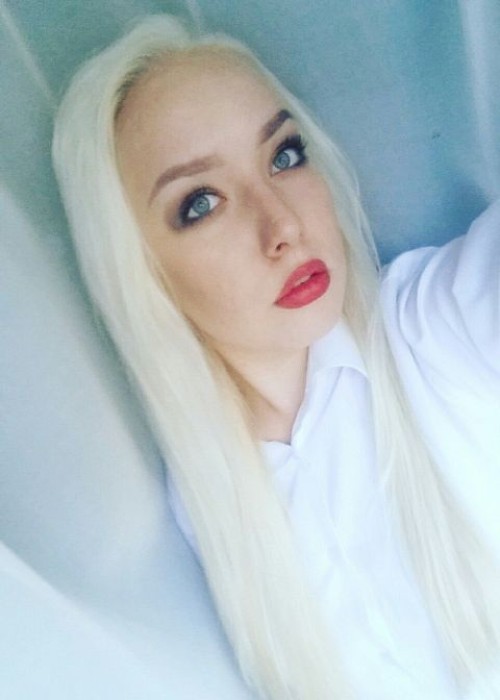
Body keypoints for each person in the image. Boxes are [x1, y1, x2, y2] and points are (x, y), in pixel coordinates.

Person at [52, 14, 500, 700]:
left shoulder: (437, 326)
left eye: (285, 156)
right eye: (201, 203)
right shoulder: (190, 524)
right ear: (141, 272)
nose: (283, 223)